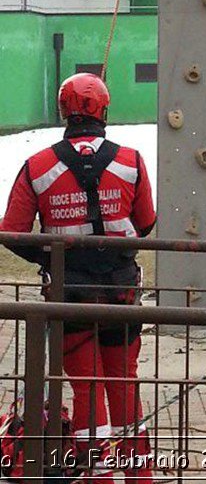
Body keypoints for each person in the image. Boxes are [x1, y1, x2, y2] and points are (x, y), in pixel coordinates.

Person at [0, 73, 157, 482]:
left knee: (86, 388)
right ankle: (139, 475)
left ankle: (97, 475)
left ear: (61, 110)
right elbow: (145, 224)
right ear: (105, 111)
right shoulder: (131, 161)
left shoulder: (38, 165)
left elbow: (12, 231)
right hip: (121, 290)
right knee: (124, 382)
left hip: (70, 292)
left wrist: (53, 257)